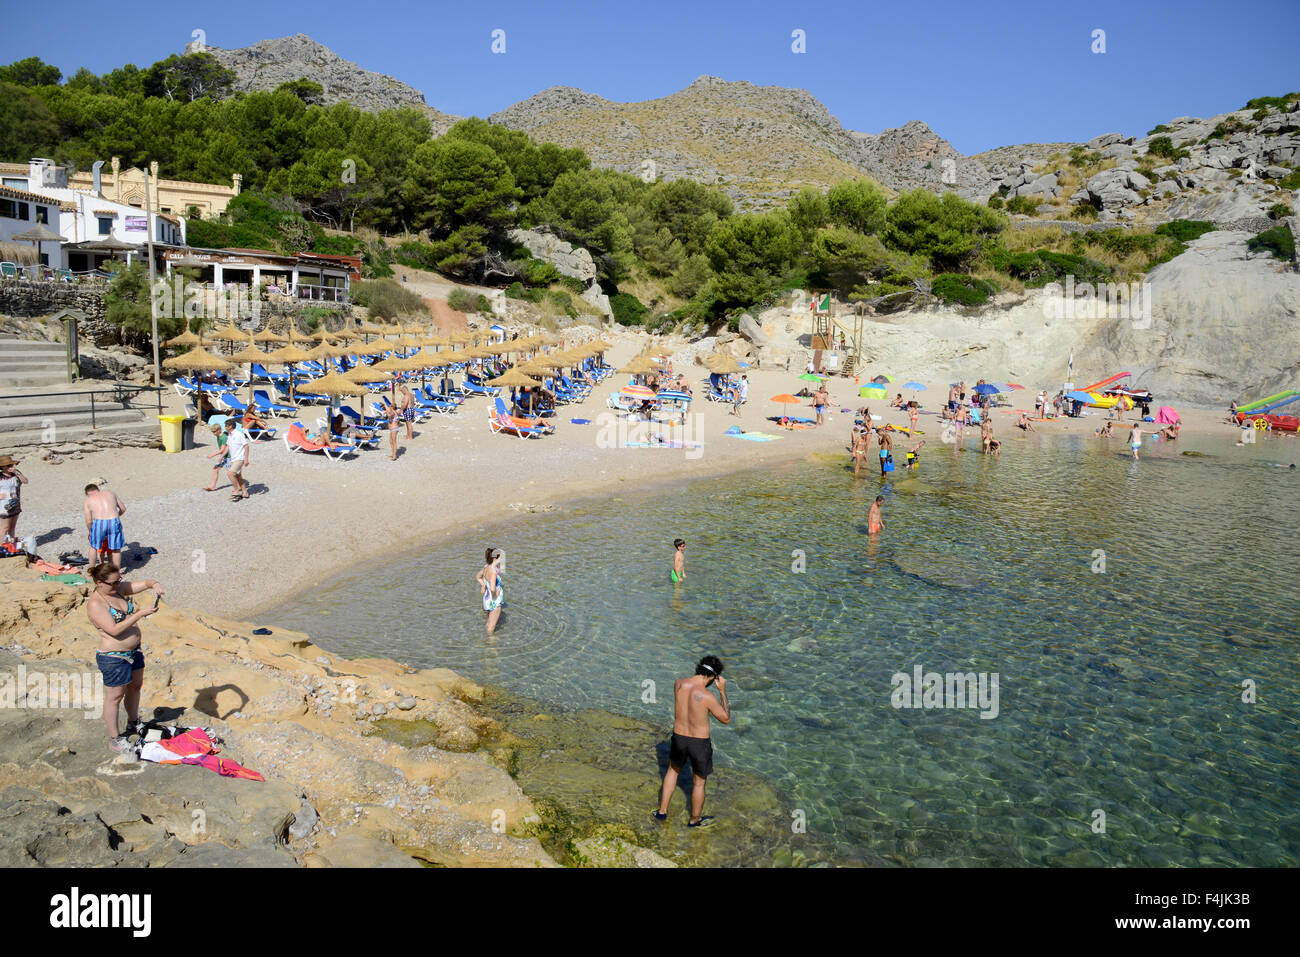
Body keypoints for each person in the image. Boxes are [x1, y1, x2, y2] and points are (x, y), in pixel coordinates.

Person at [85, 562, 162, 753]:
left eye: (119, 581)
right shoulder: (96, 603)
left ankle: (133, 723)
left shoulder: (117, 590)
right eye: (112, 583)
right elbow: (113, 629)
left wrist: (154, 585)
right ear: (99, 582)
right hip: (114, 657)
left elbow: (143, 583)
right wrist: (139, 614)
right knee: (114, 697)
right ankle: (115, 738)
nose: (117, 585)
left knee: (135, 687)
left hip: (134, 651)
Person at [654, 656, 730, 827]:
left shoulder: (679, 684)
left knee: (672, 771)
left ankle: (662, 812)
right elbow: (725, 719)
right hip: (699, 743)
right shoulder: (707, 696)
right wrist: (722, 691)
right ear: (714, 677)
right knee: (699, 782)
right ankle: (695, 819)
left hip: (679, 737)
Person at [83, 483, 127, 568]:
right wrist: (117, 516)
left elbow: (89, 521)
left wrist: (91, 531)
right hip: (114, 520)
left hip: (99, 522)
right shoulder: (110, 493)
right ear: (97, 489)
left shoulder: (88, 500)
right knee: (116, 549)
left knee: (94, 547)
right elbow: (123, 509)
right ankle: (117, 572)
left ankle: (91, 571)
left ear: (87, 493)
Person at [476, 547, 505, 635]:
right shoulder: (493, 572)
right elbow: (493, 588)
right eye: (500, 557)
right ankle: (491, 644)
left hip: (487, 599)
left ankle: (489, 639)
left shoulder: (486, 568)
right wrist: (496, 593)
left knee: (489, 622)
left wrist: (483, 585)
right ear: (495, 558)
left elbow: (478, 577)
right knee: (491, 626)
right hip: (494, 601)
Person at [0, 454, 28, 544]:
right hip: (4, 506)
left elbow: (25, 481)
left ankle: (11, 546)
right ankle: (2, 547)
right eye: (9, 465)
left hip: (15, 503)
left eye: (12, 465)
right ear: (2, 467)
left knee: (12, 528)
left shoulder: (15, 474)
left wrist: (16, 472)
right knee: (5, 528)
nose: (11, 467)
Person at [224, 419, 250, 501]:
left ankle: (236, 490)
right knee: (238, 476)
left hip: (239, 458)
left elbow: (246, 446)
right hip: (233, 459)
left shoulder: (239, 434)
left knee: (230, 473)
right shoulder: (229, 435)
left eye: (226, 426)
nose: (225, 427)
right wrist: (222, 456)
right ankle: (245, 493)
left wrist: (246, 459)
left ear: (230, 426)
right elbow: (228, 446)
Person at [203, 423, 228, 491]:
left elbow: (222, 449)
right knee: (215, 469)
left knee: (232, 473)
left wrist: (212, 455)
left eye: (214, 431)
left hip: (229, 457)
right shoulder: (218, 436)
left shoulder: (224, 437)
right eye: (212, 432)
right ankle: (212, 486)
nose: (213, 433)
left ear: (219, 430)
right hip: (224, 456)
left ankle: (239, 486)